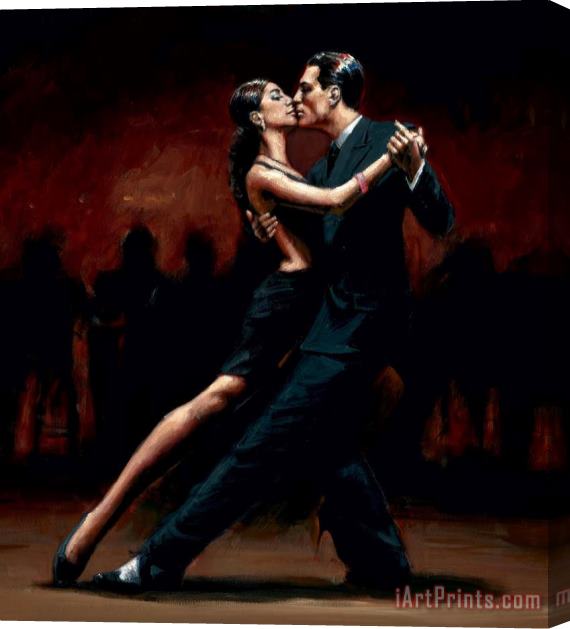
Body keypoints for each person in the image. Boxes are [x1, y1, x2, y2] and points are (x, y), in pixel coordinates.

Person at [83, 51, 454, 594]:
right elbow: (322, 245)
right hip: (330, 331)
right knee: (326, 442)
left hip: (365, 330)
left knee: (260, 445)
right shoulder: (323, 167)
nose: (298, 97)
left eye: (305, 88)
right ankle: (383, 562)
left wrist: (416, 167)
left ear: (333, 93)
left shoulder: (389, 138)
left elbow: (440, 220)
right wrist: (273, 232)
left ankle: (156, 562)